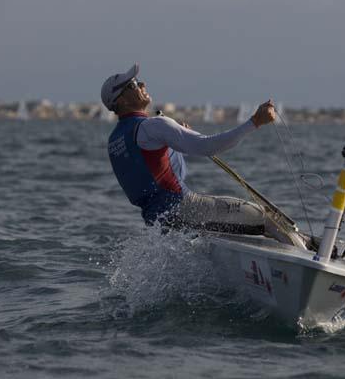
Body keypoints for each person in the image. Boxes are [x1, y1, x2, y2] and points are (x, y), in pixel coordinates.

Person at [101, 63, 302, 245]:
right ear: (122, 102)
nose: (142, 84)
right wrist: (255, 122)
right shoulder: (154, 126)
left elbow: (153, 173)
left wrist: (171, 142)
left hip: (159, 222)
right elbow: (207, 147)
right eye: (133, 84)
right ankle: (311, 266)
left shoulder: (115, 140)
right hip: (185, 208)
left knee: (242, 227)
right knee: (267, 219)